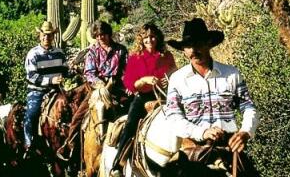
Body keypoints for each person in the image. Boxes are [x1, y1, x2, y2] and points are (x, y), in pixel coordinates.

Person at [164, 18, 259, 176]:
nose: (194, 50)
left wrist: (245, 132)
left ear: (208, 43)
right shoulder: (177, 79)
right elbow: (173, 116)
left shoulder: (231, 74)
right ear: (184, 50)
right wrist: (201, 132)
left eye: (199, 43)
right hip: (193, 150)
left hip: (229, 147)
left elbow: (248, 107)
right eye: (188, 46)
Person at [110, 23, 177, 177]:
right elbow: (130, 83)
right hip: (143, 97)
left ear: (157, 38)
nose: (149, 40)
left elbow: (174, 72)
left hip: (164, 96)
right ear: (141, 39)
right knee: (130, 125)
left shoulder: (167, 56)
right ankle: (118, 163)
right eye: (146, 37)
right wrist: (145, 80)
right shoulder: (135, 58)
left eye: (152, 36)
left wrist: (169, 78)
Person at [56, 20, 128, 161]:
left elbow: (127, 70)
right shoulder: (93, 51)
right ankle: (70, 146)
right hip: (96, 88)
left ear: (109, 34)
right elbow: (89, 73)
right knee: (78, 117)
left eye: (103, 34)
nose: (101, 38)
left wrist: (126, 83)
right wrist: (100, 84)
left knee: (130, 111)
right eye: (98, 35)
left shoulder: (120, 50)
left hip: (116, 88)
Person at [24, 20, 68, 155]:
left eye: (49, 35)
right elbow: (31, 76)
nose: (46, 38)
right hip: (38, 91)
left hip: (56, 90)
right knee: (31, 113)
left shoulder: (59, 52)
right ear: (40, 35)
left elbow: (65, 70)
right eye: (44, 35)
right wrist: (50, 80)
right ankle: (29, 142)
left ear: (53, 36)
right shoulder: (33, 54)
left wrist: (73, 70)